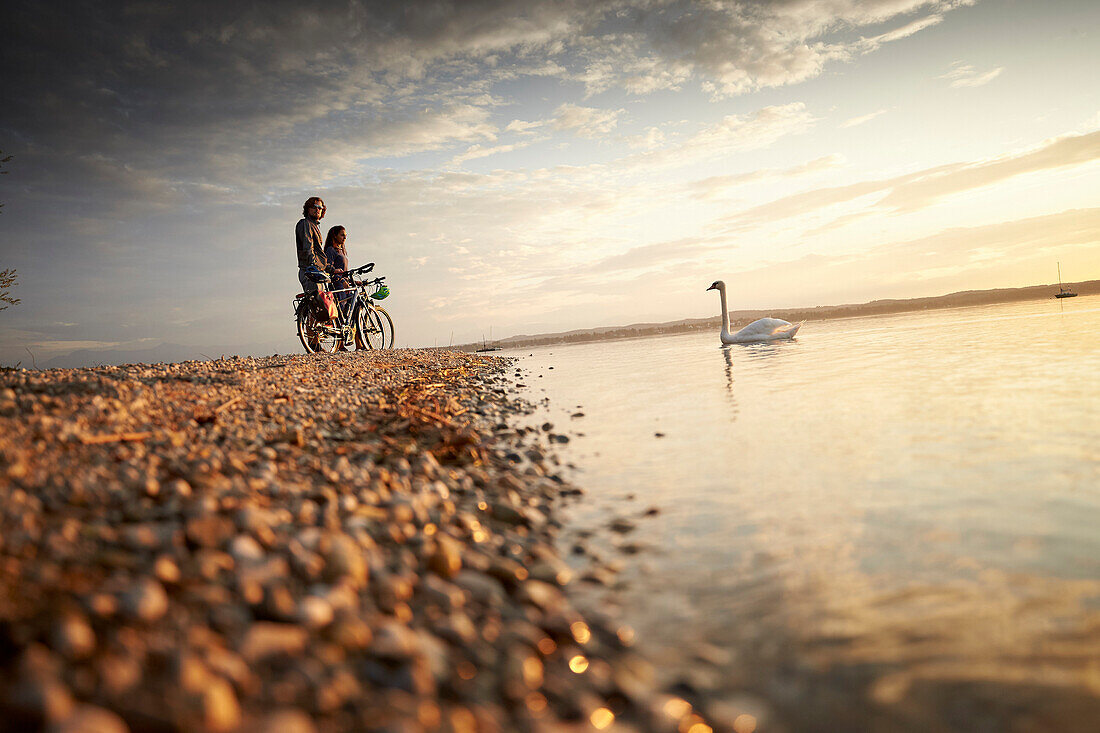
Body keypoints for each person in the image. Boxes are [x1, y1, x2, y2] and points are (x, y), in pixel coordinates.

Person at [295, 197, 338, 295]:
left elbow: (318, 255)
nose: (317, 209)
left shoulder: (314, 226)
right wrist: (313, 266)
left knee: (322, 305)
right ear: (308, 208)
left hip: (316, 272)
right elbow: (308, 249)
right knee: (318, 306)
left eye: (320, 207)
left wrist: (331, 269)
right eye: (314, 207)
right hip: (310, 272)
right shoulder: (306, 224)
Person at [324, 225, 351, 304]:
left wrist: (352, 281)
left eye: (346, 235)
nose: (345, 238)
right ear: (335, 236)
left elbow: (344, 271)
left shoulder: (342, 252)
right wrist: (341, 280)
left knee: (352, 309)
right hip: (337, 287)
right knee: (341, 313)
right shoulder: (331, 250)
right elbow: (329, 270)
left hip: (345, 286)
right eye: (342, 235)